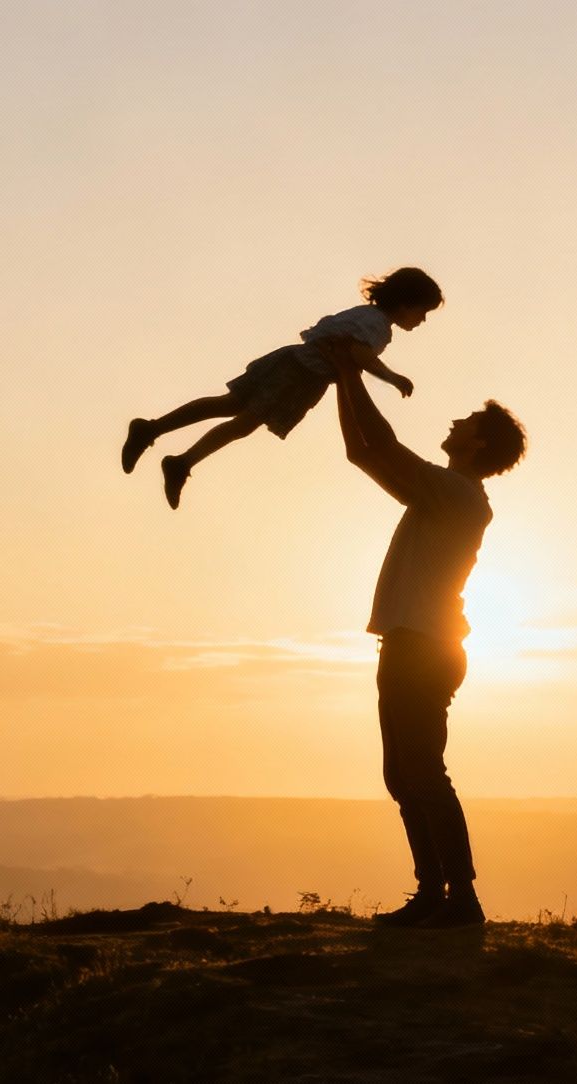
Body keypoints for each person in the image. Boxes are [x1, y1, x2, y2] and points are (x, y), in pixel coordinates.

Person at [330, 360, 527, 929]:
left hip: (424, 647)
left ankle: (458, 899)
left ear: (478, 443)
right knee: (403, 775)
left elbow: (384, 444)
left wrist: (349, 372)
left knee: (422, 773)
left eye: (468, 420)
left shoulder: (457, 496)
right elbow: (362, 452)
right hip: (410, 644)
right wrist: (342, 381)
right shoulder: (438, 493)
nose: (455, 421)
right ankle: (434, 895)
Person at [120, 267, 444, 509]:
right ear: (407, 303)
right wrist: (393, 377)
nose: (422, 320)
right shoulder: (378, 326)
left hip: (293, 363)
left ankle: (153, 432)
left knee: (229, 405)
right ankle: (180, 461)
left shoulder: (366, 315)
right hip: (300, 375)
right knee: (243, 422)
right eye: (423, 312)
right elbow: (358, 353)